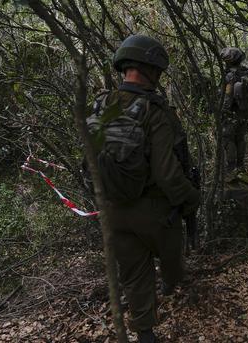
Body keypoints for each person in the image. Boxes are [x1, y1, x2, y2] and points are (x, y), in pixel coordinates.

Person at [100, 35, 200, 343]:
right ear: (152, 68)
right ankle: (172, 286)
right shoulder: (154, 111)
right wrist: (191, 199)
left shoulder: (103, 103)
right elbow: (168, 174)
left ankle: (145, 332)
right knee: (171, 259)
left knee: (134, 273)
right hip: (153, 212)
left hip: (113, 211)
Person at [219, 47, 248, 171]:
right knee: (240, 139)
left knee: (228, 138)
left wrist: (223, 112)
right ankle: (240, 166)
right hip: (245, 113)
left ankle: (232, 167)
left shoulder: (230, 76)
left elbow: (227, 98)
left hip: (232, 114)